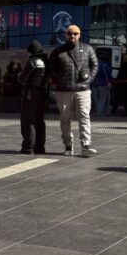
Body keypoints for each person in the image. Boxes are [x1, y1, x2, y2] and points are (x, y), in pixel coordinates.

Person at [48, 24, 98, 156]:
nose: (72, 36)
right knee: (65, 118)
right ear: (65, 35)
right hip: (64, 91)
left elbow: (94, 65)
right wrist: (59, 80)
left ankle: (86, 145)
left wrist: (89, 80)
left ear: (79, 35)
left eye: (75, 33)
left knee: (84, 116)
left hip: (83, 90)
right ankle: (68, 145)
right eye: (70, 34)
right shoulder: (58, 51)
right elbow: (50, 68)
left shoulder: (88, 49)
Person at [18, 40, 48, 154]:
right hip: (42, 92)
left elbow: (23, 79)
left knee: (28, 120)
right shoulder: (46, 62)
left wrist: (19, 76)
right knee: (39, 120)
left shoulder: (32, 62)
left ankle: (28, 147)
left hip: (31, 92)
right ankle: (40, 147)